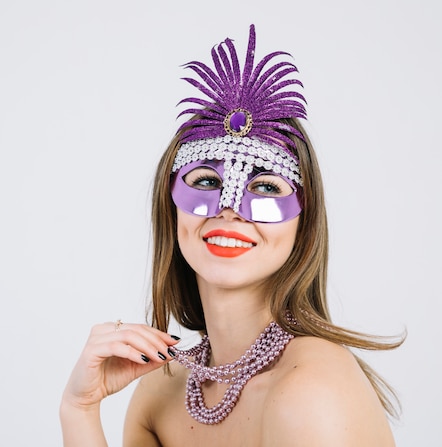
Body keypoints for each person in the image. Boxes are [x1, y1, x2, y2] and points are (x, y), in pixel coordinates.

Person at [60, 24, 404, 446]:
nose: (229, 209)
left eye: (265, 187)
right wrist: (79, 409)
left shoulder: (311, 388)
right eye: (205, 181)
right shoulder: (162, 391)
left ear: (303, 220)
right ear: (170, 208)